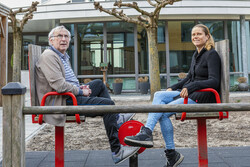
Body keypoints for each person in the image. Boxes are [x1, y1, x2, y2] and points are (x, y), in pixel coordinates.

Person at [35, 25, 139, 164]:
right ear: (51, 40)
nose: (64, 39)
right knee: (108, 106)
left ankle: (117, 118)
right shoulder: (49, 56)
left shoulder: (62, 56)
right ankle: (117, 151)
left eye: (67, 36)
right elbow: (59, 86)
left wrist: (79, 87)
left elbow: (66, 82)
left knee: (99, 84)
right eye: (60, 36)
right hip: (62, 101)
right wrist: (80, 90)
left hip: (69, 95)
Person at [124, 24, 221, 167]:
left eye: (199, 34)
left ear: (207, 36)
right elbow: (189, 77)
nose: (195, 37)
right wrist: (172, 87)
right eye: (193, 34)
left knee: (162, 112)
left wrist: (192, 86)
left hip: (202, 97)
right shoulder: (197, 54)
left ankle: (162, 146)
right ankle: (151, 136)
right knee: (159, 95)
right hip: (192, 93)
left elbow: (214, 81)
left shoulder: (211, 54)